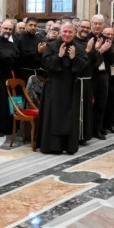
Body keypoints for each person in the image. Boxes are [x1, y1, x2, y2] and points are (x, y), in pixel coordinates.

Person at [39, 23, 88, 154]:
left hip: (71, 87)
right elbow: (45, 64)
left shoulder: (78, 47)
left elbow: (84, 66)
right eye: (64, 31)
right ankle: (53, 146)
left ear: (74, 33)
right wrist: (58, 57)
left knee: (70, 117)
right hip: (54, 87)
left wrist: (74, 58)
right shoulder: (51, 46)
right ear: (60, 32)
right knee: (53, 116)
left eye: (70, 32)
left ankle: (69, 145)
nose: (67, 34)